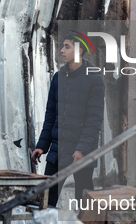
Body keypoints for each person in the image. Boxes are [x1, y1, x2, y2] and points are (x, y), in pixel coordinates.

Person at [31, 35, 105, 207]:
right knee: (47, 198)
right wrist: (42, 145)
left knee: (85, 200)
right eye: (62, 46)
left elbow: (94, 120)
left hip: (82, 151)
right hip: (58, 149)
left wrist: (81, 149)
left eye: (67, 46)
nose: (62, 50)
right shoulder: (59, 77)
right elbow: (51, 115)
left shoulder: (94, 79)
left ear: (79, 51)